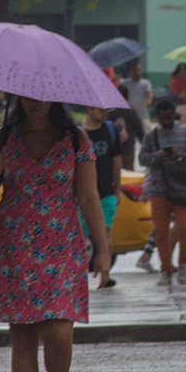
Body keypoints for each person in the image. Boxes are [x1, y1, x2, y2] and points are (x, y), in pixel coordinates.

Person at [0, 95, 110, 372]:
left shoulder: (76, 139)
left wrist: (103, 248)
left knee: (60, 332)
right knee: (23, 339)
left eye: (44, 96)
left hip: (61, 241)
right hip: (14, 243)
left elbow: (89, 196)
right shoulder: (2, 138)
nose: (36, 102)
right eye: (29, 96)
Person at [139, 98, 186, 288]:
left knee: (185, 228)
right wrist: (159, 156)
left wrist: (180, 157)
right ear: (157, 117)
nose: (165, 121)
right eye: (162, 118)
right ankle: (165, 269)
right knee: (162, 233)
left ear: (174, 115)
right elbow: (142, 158)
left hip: (183, 188)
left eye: (168, 117)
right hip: (159, 189)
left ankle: (182, 264)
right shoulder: (151, 136)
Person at [83, 106, 123, 287]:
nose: (103, 112)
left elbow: (117, 160)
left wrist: (118, 189)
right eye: (99, 109)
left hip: (106, 192)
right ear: (88, 108)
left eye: (106, 110)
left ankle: (105, 275)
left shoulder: (110, 130)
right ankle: (78, 274)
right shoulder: (78, 133)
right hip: (83, 194)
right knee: (80, 237)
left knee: (105, 233)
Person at [108, 84, 144, 170]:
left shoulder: (110, 110)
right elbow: (138, 129)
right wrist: (144, 143)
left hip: (113, 147)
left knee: (114, 170)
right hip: (128, 147)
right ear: (127, 96)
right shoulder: (131, 110)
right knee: (128, 171)